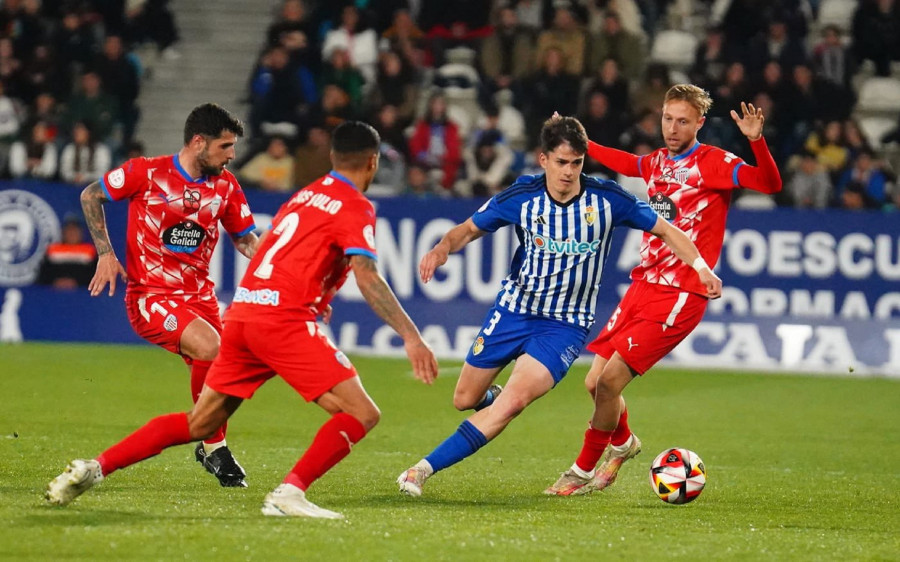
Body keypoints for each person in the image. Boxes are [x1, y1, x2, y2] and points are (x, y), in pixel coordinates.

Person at [47, 121, 439, 519]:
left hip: (242, 316)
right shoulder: (355, 205)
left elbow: (270, 252)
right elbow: (367, 274)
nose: (232, 154)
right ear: (372, 163)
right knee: (361, 413)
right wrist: (411, 336)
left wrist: (311, 295)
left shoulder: (305, 196)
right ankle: (289, 493)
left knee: (200, 423)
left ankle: (93, 469)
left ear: (333, 157)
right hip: (280, 322)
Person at [396, 115, 722, 497]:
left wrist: (701, 267)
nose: (569, 172)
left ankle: (420, 470)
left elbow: (667, 230)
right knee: (465, 399)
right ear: (544, 159)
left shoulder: (607, 199)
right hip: (514, 309)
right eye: (562, 162)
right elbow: (467, 229)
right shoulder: (522, 196)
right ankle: (491, 399)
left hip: (564, 326)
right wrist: (441, 248)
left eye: (577, 163)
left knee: (512, 403)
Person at [544, 84, 782, 497]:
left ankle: (581, 471)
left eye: (683, 121)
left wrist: (756, 142)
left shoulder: (714, 163)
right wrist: (583, 142)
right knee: (593, 384)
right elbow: (627, 161)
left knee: (608, 384)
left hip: (681, 294)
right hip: (642, 285)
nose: (673, 128)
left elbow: (769, 183)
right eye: (668, 119)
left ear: (699, 124)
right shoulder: (656, 162)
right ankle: (624, 443)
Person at [76, 103, 260, 487]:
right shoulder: (146, 172)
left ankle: (211, 446)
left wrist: (285, 270)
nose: (232, 155)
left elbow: (244, 239)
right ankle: (214, 446)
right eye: (225, 146)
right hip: (151, 296)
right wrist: (106, 254)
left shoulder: (226, 185)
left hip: (201, 298)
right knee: (211, 348)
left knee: (228, 364)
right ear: (198, 142)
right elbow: (91, 195)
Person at [36, 214, 97, 289]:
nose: (72, 233)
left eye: (75, 230)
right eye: (69, 230)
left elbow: (95, 277)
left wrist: (77, 283)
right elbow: (42, 276)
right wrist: (55, 282)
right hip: (54, 295)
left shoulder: (91, 252)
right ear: (63, 232)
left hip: (81, 295)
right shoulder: (52, 251)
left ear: (81, 232)